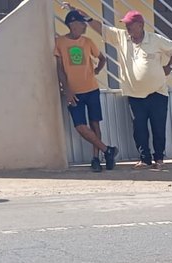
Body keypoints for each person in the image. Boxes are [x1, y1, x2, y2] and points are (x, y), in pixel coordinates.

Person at [67, 4, 172, 170]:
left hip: (158, 92)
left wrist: (169, 68)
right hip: (135, 94)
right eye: (125, 24)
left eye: (129, 24)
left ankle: (159, 159)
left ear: (140, 25)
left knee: (158, 127)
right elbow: (101, 29)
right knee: (139, 129)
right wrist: (86, 17)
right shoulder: (121, 37)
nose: (126, 27)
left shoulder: (155, 40)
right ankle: (145, 159)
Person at [54, 10, 117, 172]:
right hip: (74, 93)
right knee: (80, 127)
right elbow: (59, 69)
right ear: (72, 24)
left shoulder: (88, 42)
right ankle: (107, 150)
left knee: (94, 124)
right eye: (82, 23)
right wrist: (67, 90)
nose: (85, 26)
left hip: (92, 89)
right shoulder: (59, 42)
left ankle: (96, 158)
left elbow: (102, 58)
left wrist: (96, 71)